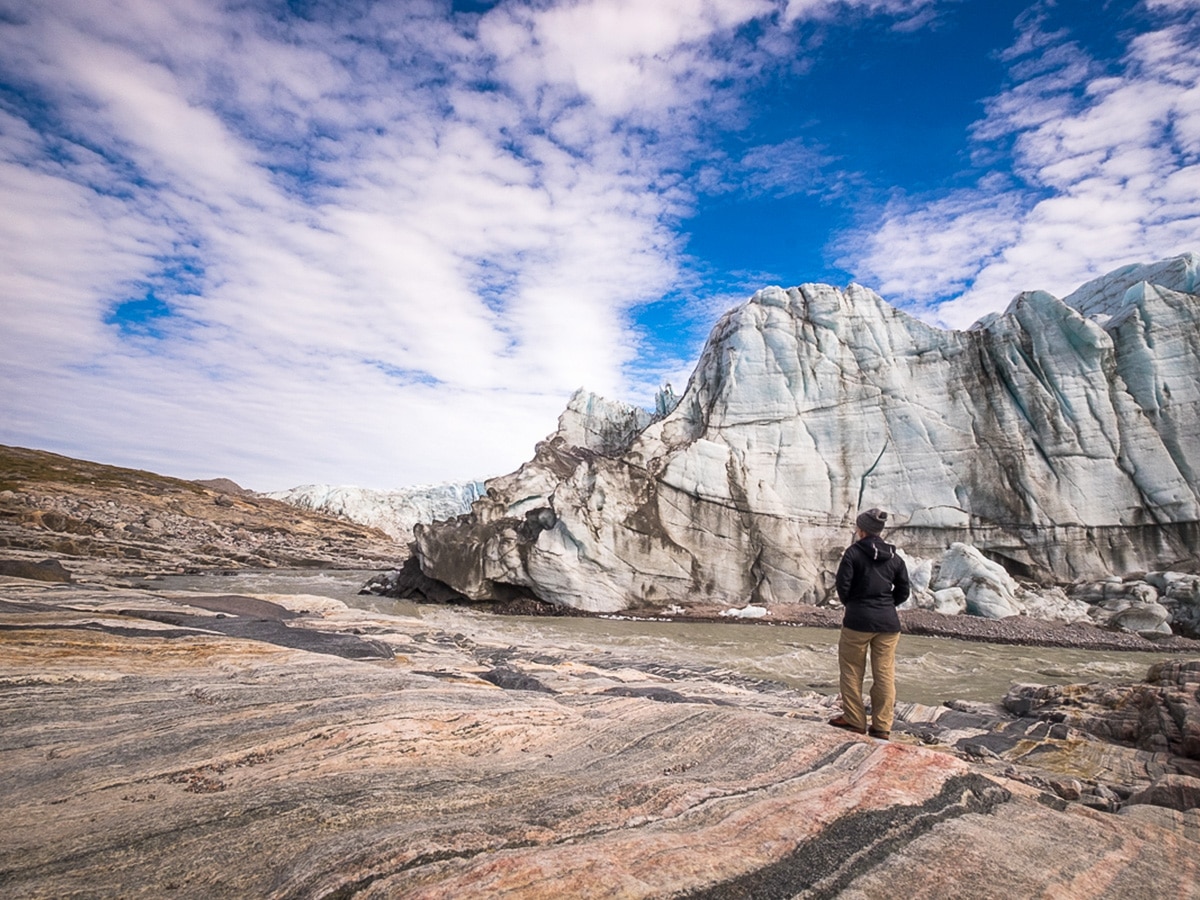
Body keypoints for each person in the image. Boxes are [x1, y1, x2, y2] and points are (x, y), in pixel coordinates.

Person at [828, 507, 910, 740]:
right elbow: (904, 591)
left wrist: (855, 604)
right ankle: (882, 726)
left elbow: (843, 586)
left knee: (852, 670)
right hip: (888, 624)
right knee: (884, 673)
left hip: (857, 621)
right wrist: (886, 605)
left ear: (861, 529)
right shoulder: (895, 557)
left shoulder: (853, 553)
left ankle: (854, 720)